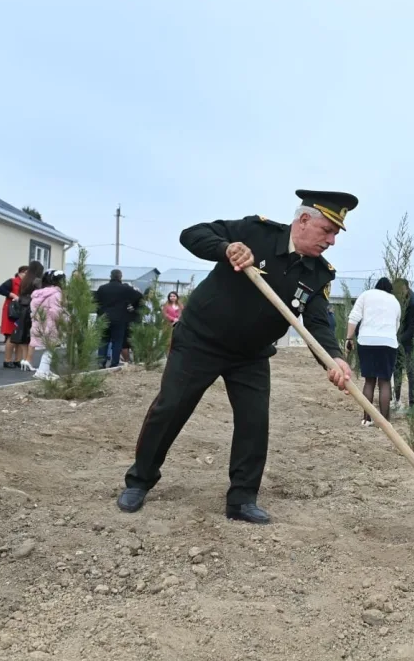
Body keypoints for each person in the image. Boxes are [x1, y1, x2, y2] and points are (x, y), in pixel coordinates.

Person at [116, 189, 357, 524]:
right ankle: (140, 480)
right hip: (200, 340)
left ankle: (242, 499)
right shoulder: (254, 233)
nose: (331, 241)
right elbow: (191, 235)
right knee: (171, 407)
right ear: (303, 220)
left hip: (251, 354)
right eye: (327, 231)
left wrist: (335, 359)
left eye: (335, 234)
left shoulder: (318, 273)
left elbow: (318, 324)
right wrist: (225, 248)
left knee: (254, 422)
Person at [346, 277, 402, 426]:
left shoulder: (366, 295)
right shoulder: (395, 301)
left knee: (369, 381)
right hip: (388, 343)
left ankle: (366, 419)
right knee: (384, 382)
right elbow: (396, 325)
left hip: (367, 341)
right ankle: (384, 422)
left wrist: (349, 339)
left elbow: (353, 318)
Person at [94, 270, 144, 368]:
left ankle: (101, 362)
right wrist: (132, 307)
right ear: (120, 277)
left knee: (104, 340)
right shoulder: (125, 288)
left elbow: (95, 302)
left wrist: (99, 312)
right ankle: (114, 362)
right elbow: (139, 296)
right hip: (120, 318)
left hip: (104, 317)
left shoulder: (102, 288)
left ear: (110, 276)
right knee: (117, 341)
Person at [30, 269, 66, 381]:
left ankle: (45, 370)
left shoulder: (39, 293)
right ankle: (42, 371)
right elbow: (56, 312)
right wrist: (66, 319)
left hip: (39, 323)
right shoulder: (56, 294)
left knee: (49, 348)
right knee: (51, 349)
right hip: (51, 325)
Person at [392, 278, 414, 412]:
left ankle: (413, 405)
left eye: (400, 290)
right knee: (397, 370)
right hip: (400, 337)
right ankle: (396, 400)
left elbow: (413, 327)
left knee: (411, 372)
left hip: (411, 340)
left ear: (406, 287)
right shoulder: (398, 299)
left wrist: (399, 340)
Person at [10, 261, 45, 371]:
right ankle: (29, 361)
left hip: (22, 309)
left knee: (24, 336)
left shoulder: (24, 280)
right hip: (32, 309)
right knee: (32, 337)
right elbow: (41, 295)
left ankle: (24, 360)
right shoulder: (37, 281)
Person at [0, 266, 29, 368]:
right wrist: (13, 295)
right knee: (12, 335)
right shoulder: (12, 281)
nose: (27, 276)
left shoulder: (27, 285)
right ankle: (7, 360)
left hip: (22, 311)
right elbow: (0, 289)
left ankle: (17, 360)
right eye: (25, 273)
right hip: (12, 311)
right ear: (20, 273)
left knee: (20, 336)